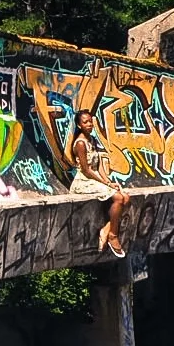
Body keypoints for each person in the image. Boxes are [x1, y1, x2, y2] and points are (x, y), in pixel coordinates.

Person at [69, 109, 129, 257]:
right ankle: (113, 236)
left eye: (90, 121)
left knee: (126, 198)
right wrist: (105, 184)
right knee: (119, 198)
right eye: (85, 122)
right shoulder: (81, 144)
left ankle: (106, 230)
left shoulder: (92, 140)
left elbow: (99, 165)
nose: (89, 124)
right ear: (79, 125)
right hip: (84, 182)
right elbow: (86, 170)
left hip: (96, 179)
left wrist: (109, 181)